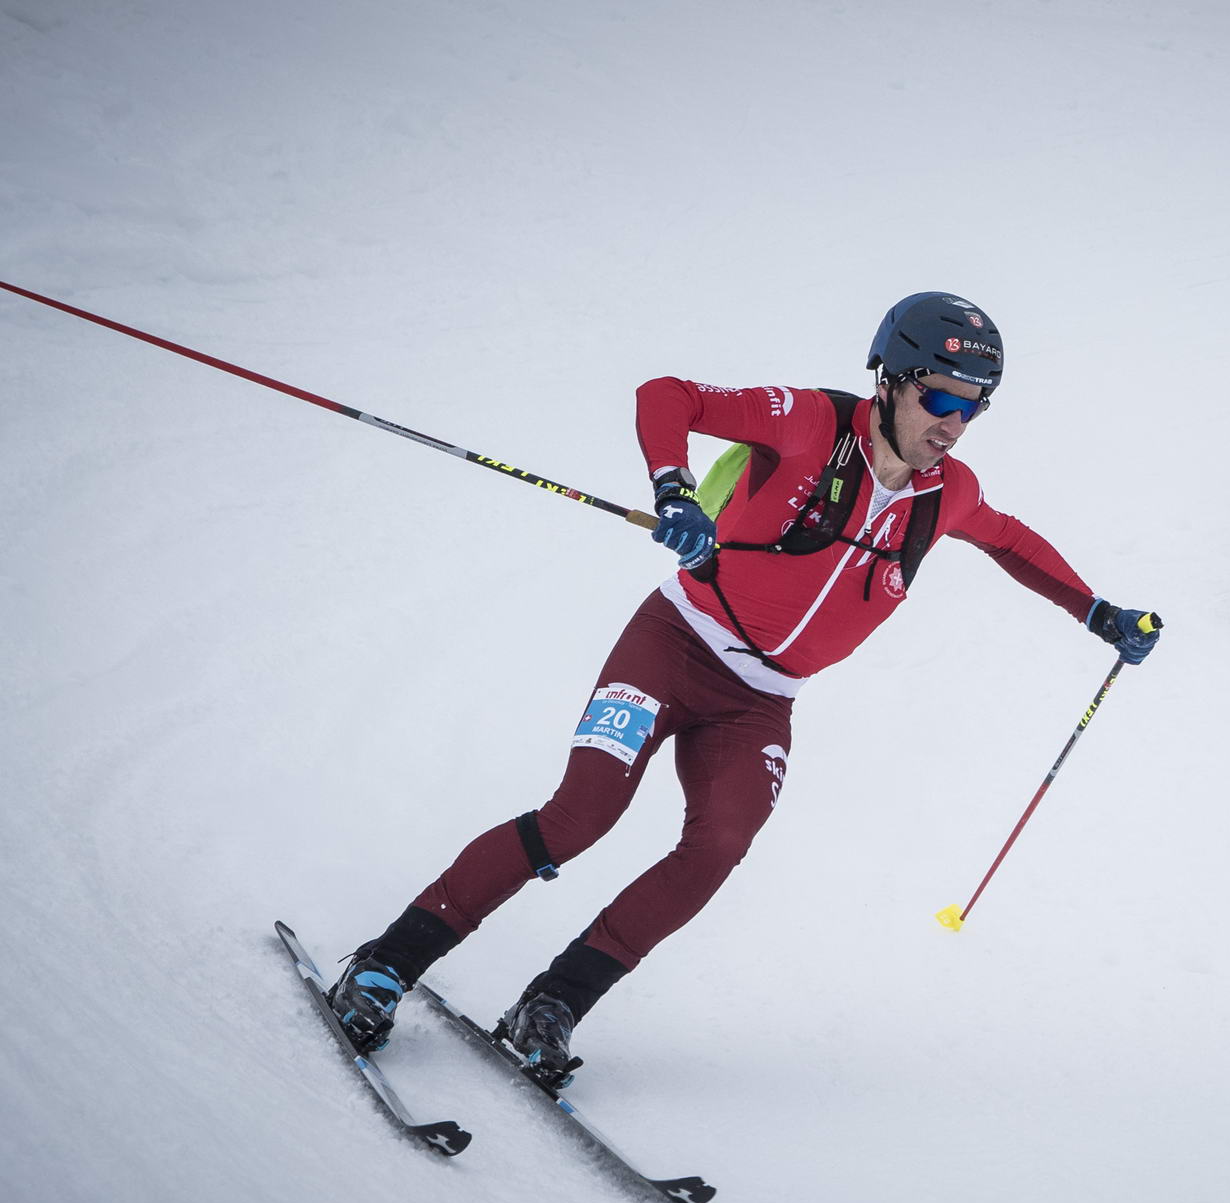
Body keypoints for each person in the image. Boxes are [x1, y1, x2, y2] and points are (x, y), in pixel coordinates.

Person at [327, 292, 1163, 1087]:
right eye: (941, 397)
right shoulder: (806, 424)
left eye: (974, 406)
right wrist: (672, 490)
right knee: (581, 816)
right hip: (673, 644)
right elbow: (668, 396)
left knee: (718, 846)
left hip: (760, 700)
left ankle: (553, 1005)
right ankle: (387, 964)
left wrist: (1098, 612)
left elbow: (1010, 542)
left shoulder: (948, 496)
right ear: (891, 379)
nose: (953, 424)